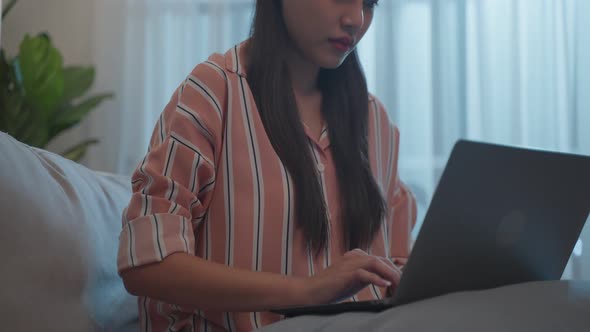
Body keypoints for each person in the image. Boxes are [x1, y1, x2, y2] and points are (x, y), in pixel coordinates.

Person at [117, 0, 416, 331]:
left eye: (370, 3)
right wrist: (307, 291)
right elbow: (145, 264)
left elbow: (400, 263)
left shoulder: (377, 123)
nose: (357, 19)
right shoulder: (214, 94)